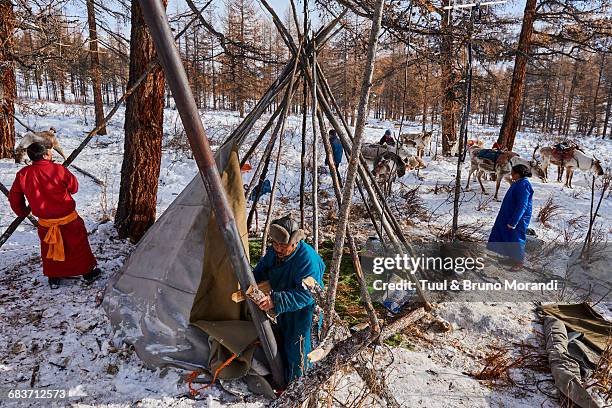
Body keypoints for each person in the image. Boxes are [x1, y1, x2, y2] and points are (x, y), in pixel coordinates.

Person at [9, 142, 101, 289]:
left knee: (50, 250)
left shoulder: (23, 174)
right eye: (49, 152)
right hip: (69, 220)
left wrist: (21, 211)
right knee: (77, 247)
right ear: (45, 155)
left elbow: (14, 197)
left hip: (46, 223)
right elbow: (74, 187)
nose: (51, 153)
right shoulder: (58, 170)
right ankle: (87, 273)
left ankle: (54, 278)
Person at [252, 215, 325, 382]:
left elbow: (307, 294)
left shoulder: (307, 260)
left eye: (283, 246)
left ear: (295, 243)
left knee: (299, 353)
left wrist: (275, 301)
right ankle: (285, 384)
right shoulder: (275, 252)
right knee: (284, 347)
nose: (278, 249)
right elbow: (261, 270)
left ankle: (301, 391)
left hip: (305, 314)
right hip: (287, 312)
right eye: (275, 244)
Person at [487, 164, 534, 268]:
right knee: (508, 236)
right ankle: (511, 258)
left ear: (518, 174)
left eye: (513, 173)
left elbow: (522, 205)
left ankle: (519, 262)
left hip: (518, 217)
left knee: (516, 238)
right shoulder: (518, 183)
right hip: (509, 215)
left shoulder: (524, 185)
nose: (511, 174)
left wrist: (514, 221)